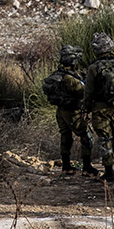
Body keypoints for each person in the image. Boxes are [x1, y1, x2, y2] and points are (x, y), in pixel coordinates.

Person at [82, 31, 114, 181]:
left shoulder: (93, 68)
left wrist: (86, 110)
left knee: (104, 139)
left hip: (100, 108)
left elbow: (88, 92)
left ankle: (109, 172)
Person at [42, 45, 93, 175]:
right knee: (86, 136)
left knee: (66, 137)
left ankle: (66, 166)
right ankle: (87, 167)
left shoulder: (57, 74)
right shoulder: (70, 79)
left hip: (60, 111)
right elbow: (84, 92)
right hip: (72, 112)